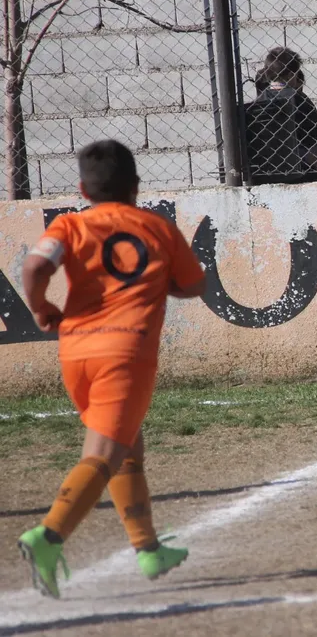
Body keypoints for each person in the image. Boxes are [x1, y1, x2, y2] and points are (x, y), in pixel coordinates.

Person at [16, 140, 206, 599]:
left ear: (83, 190)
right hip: (126, 353)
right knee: (103, 455)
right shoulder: (158, 228)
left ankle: (148, 548)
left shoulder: (69, 224)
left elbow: (36, 267)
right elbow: (193, 285)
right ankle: (48, 535)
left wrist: (40, 308)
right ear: (136, 186)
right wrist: (157, 283)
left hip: (76, 353)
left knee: (127, 446)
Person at [248, 47, 317, 183]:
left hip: (268, 173)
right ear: (291, 75)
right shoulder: (299, 99)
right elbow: (313, 129)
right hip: (305, 170)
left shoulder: (259, 103)